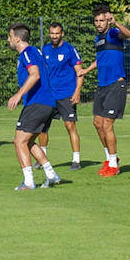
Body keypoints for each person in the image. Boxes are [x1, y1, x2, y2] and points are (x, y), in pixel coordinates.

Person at [6, 24, 63, 191]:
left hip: (38, 102)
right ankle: (51, 174)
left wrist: (18, 94)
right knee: (28, 141)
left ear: (17, 38)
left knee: (18, 141)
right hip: (47, 103)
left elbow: (35, 74)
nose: (8, 40)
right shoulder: (35, 52)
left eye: (10, 36)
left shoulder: (27, 52)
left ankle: (29, 182)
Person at [81, 5, 130, 176]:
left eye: (101, 20)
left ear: (107, 20)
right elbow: (100, 60)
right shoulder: (98, 39)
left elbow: (129, 34)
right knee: (97, 123)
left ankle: (113, 164)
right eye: (96, 21)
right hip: (102, 86)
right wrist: (86, 70)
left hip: (116, 84)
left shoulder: (113, 34)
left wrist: (116, 22)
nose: (98, 23)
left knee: (107, 124)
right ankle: (110, 159)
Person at [38, 22, 84, 170]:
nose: (54, 36)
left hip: (66, 94)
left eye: (57, 33)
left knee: (70, 125)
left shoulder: (69, 49)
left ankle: (76, 160)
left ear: (62, 33)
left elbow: (80, 72)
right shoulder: (45, 49)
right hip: (49, 96)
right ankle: (42, 159)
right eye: (52, 33)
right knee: (42, 128)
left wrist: (77, 91)